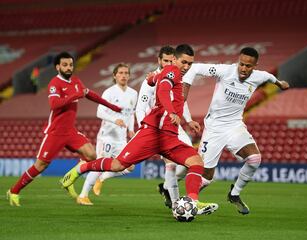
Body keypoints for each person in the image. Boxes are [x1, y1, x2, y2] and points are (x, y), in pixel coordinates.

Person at [61, 44, 218, 216]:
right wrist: (171, 111)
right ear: (174, 59)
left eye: (190, 63)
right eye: (184, 62)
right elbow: (164, 90)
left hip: (169, 137)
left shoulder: (171, 74)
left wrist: (152, 79)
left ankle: (193, 202)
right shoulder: (172, 71)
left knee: (196, 162)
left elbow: (157, 81)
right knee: (117, 165)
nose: (186, 67)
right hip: (152, 133)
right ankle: (79, 170)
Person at [182, 47, 290, 214]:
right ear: (237, 61)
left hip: (234, 125)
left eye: (248, 66)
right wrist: (184, 93)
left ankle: (234, 194)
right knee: (207, 177)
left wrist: (280, 83)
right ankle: (187, 202)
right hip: (214, 128)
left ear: (255, 66)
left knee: (254, 159)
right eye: (241, 64)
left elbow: (270, 77)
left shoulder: (259, 76)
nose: (244, 69)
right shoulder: (225, 71)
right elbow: (195, 68)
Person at [6, 51, 122, 206]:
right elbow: (54, 104)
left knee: (91, 155)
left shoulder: (75, 80)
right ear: (57, 67)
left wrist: (112, 106)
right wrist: (74, 95)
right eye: (65, 65)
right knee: (40, 165)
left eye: (71, 65)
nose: (69, 68)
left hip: (70, 131)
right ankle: (14, 191)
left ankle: (68, 179)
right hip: (56, 132)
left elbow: (90, 94)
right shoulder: (54, 84)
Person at [134, 46, 201, 209]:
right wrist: (144, 128)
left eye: (171, 60)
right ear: (159, 60)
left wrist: (189, 119)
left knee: (192, 162)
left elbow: (179, 102)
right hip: (157, 127)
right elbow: (140, 107)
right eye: (165, 60)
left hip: (175, 126)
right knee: (170, 164)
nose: (169, 63)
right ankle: (177, 204)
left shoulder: (177, 75)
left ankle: (165, 187)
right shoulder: (151, 80)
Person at [77, 63, 138, 205]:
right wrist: (115, 120)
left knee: (129, 166)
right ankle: (83, 195)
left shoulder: (133, 93)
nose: (123, 75)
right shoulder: (109, 92)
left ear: (129, 75)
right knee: (99, 164)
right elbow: (100, 112)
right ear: (114, 76)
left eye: (126, 73)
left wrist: (130, 128)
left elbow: (131, 113)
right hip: (107, 136)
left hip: (122, 138)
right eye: (120, 73)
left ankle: (102, 178)